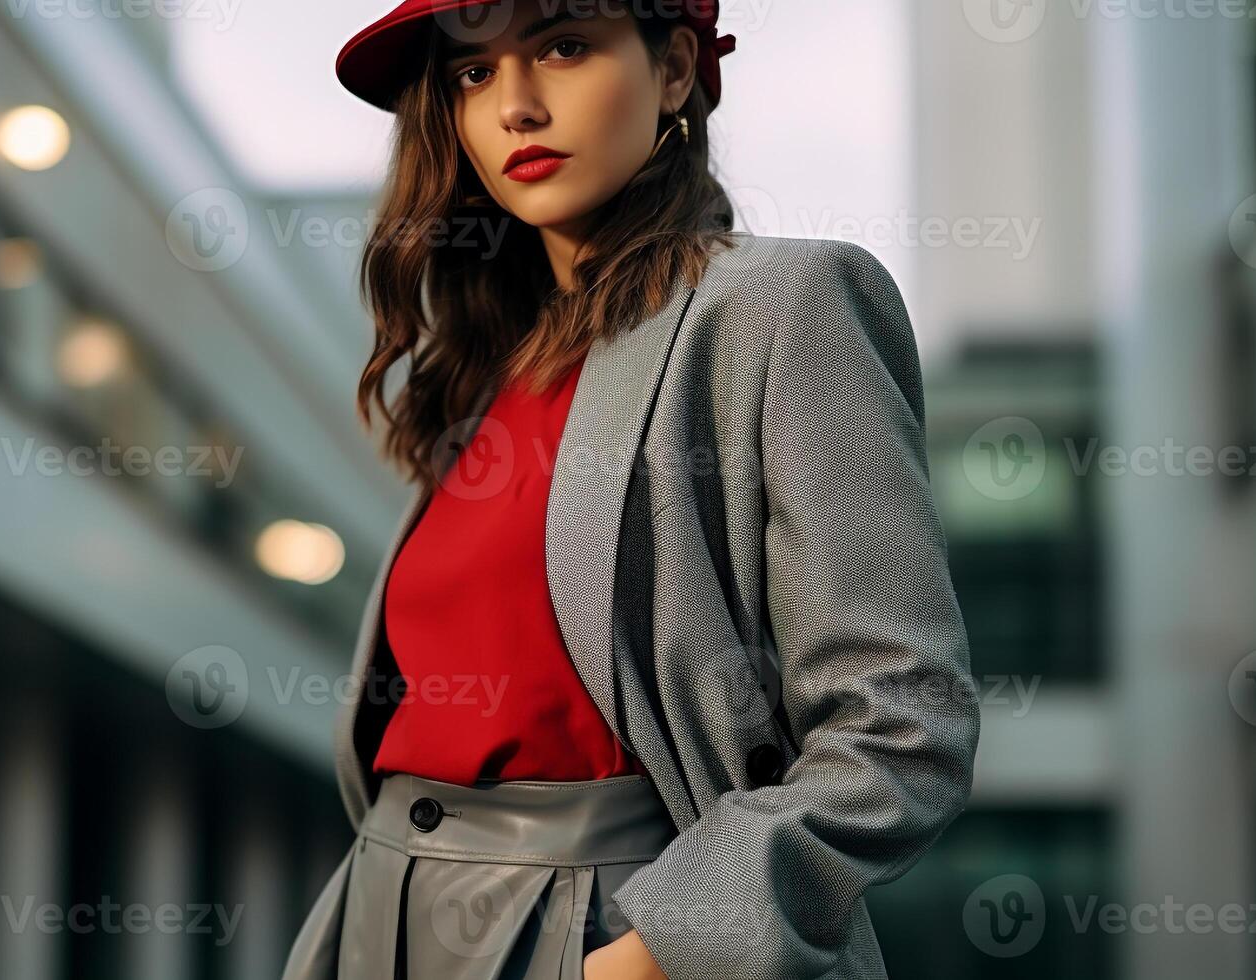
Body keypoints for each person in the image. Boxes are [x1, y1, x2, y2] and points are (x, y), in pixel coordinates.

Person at [282, 1, 981, 977]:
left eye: (562, 47)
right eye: (472, 75)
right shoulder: (483, 371)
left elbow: (901, 717)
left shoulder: (783, 307)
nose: (516, 106)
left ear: (671, 70)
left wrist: (664, 944)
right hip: (379, 913)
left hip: (605, 925)